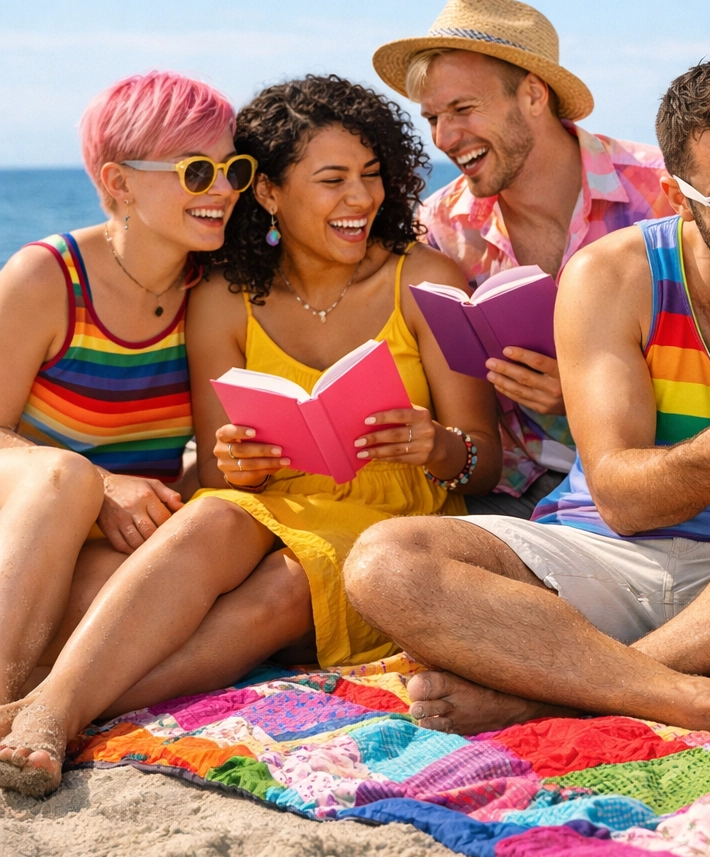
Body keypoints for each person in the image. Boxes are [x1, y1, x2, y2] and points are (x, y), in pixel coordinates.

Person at [344, 57, 710, 746]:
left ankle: (564, 692)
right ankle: (698, 700)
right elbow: (622, 499)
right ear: (675, 193)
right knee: (385, 561)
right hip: (612, 559)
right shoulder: (611, 275)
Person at [0, 75, 500, 797]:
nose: (360, 198)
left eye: (371, 176)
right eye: (332, 180)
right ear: (270, 195)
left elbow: (484, 461)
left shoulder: (425, 282)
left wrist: (439, 445)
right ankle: (47, 706)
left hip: (394, 521)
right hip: (274, 508)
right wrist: (233, 462)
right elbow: (217, 478)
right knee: (211, 517)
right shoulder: (224, 298)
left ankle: (54, 709)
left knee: (277, 590)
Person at [0, 70, 265, 715]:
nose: (224, 190)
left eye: (236, 169)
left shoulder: (213, 292)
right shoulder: (48, 277)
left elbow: (208, 470)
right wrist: (101, 484)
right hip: (21, 528)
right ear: (118, 182)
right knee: (64, 476)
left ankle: (27, 700)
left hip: (99, 551)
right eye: (196, 171)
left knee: (154, 602)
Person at [374, 0, 671, 517]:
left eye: (463, 109)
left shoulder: (661, 194)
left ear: (534, 95)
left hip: (652, 474)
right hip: (506, 491)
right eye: (433, 118)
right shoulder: (437, 228)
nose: (445, 137)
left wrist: (587, 398)